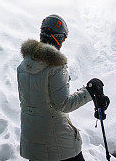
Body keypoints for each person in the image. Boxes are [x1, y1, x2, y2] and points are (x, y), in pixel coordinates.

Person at [17, 14, 110, 161]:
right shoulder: (55, 66)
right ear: (59, 38)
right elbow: (64, 104)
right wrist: (89, 92)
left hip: (32, 141)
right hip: (57, 143)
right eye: (63, 39)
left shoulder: (23, 65)